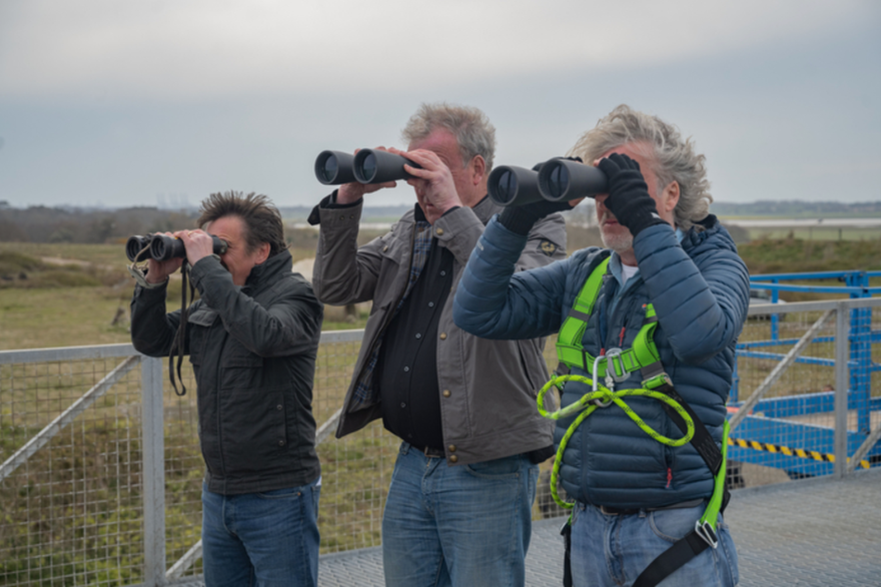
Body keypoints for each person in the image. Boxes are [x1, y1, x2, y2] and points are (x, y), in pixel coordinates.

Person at [453, 105, 748, 587]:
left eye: (627, 184)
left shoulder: (717, 264)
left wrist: (646, 222)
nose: (608, 202)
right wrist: (513, 221)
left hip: (673, 532)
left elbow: (700, 334)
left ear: (672, 193)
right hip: (589, 527)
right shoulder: (586, 272)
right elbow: (477, 312)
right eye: (601, 188)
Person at [308, 103, 566, 587]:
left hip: (488, 465)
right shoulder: (413, 230)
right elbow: (336, 287)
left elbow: (520, 294)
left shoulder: (534, 223)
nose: (422, 183)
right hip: (413, 460)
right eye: (415, 168)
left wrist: (453, 212)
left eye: (436, 169)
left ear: (477, 168)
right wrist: (349, 197)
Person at [130, 192, 324, 587]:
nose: (213, 256)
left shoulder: (295, 296)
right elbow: (151, 340)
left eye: (223, 247)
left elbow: (265, 334)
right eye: (208, 244)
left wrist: (205, 267)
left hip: (279, 495)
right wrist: (156, 278)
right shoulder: (212, 304)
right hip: (218, 492)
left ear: (262, 251)